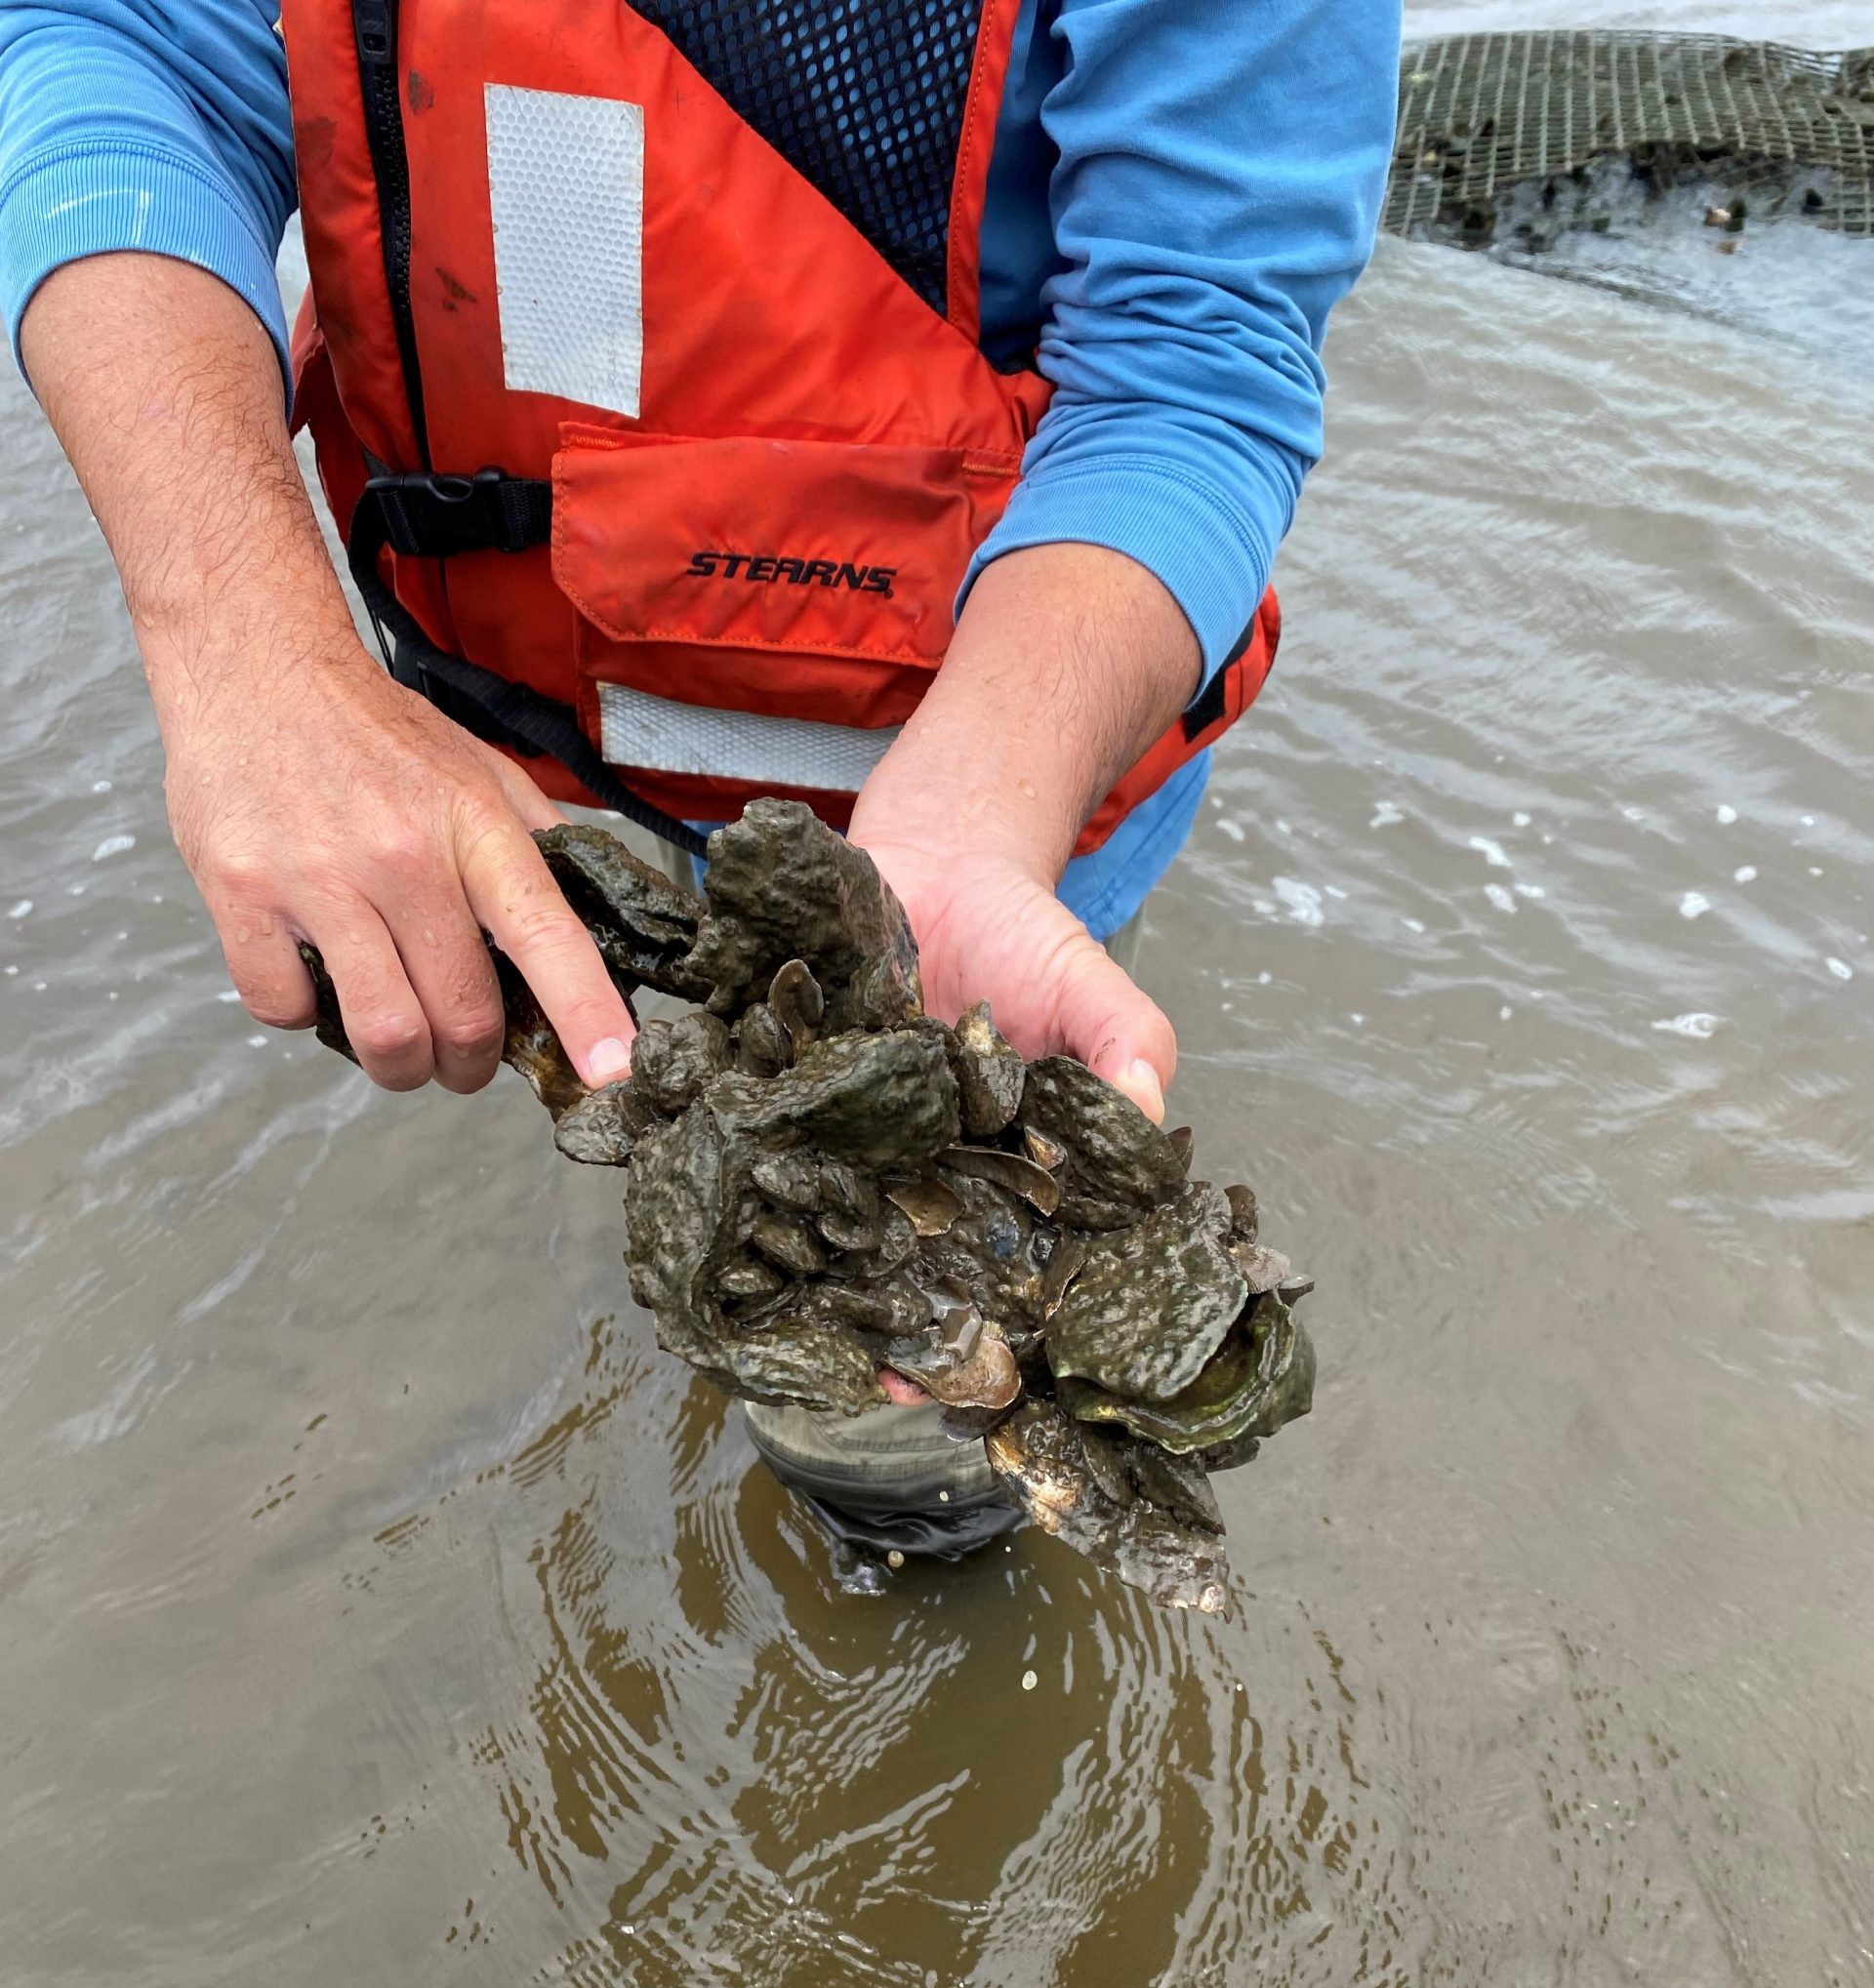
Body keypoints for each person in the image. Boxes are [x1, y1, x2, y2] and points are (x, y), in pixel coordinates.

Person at [0, 0, 1397, 1554]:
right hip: (526, 764)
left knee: (912, 1434)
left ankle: (909, 1535)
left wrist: (987, 816)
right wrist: (254, 654)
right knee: (683, 1158)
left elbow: (1193, 362)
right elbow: (125, 49)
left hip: (990, 801)